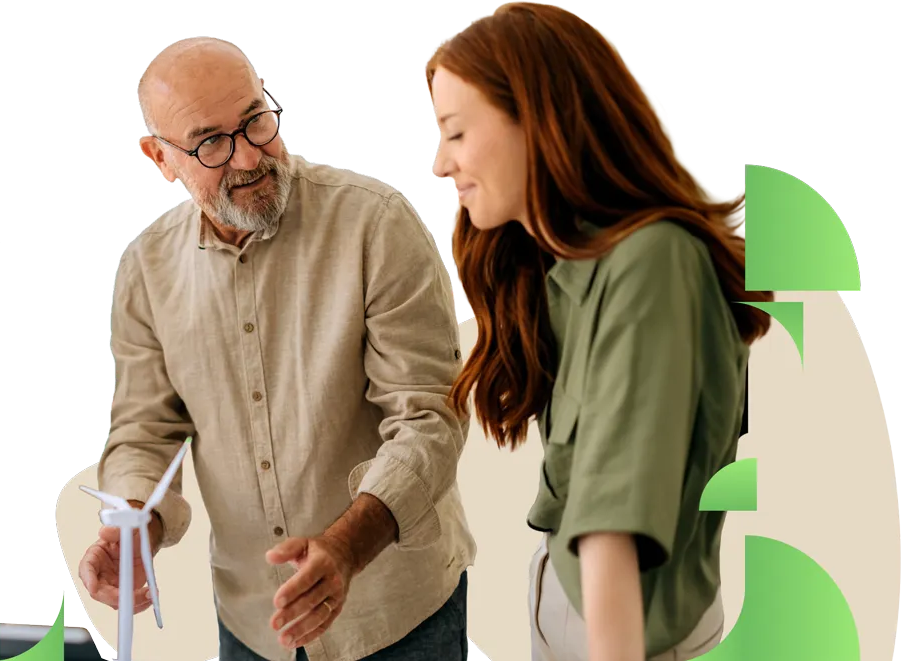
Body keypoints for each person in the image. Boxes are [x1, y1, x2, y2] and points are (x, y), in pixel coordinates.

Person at [79, 37, 477, 661]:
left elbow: (431, 415)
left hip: (397, 614)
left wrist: (347, 546)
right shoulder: (147, 267)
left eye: (255, 121)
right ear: (161, 157)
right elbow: (145, 427)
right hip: (251, 622)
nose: (248, 157)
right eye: (209, 141)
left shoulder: (376, 224)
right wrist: (134, 523)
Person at [426, 3, 773, 661]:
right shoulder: (572, 265)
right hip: (571, 607)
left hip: (621, 633)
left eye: (456, 132)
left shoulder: (652, 264)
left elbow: (614, 528)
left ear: (538, 119)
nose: (442, 164)